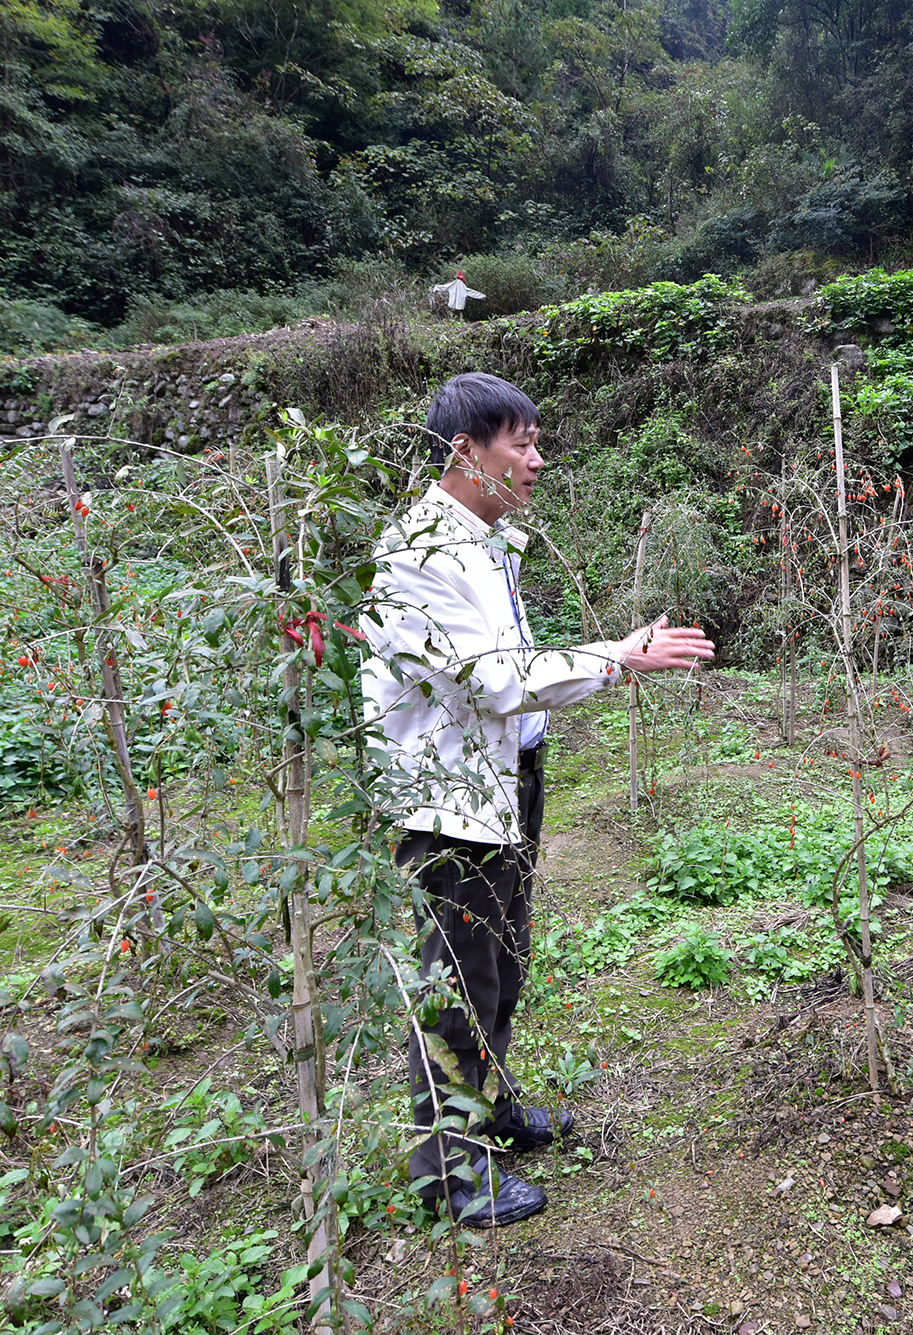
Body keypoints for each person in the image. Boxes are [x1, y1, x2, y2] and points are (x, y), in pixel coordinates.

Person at [362, 372, 714, 1227]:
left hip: (504, 782)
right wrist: (614, 658)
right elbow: (490, 680)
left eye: (534, 441)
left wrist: (607, 655)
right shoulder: (421, 553)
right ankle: (448, 1172)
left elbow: (513, 678)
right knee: (457, 983)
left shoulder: (487, 540)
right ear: (465, 450)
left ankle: (489, 1109)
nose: (536, 459)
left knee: (504, 959)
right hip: (445, 801)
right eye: (519, 443)